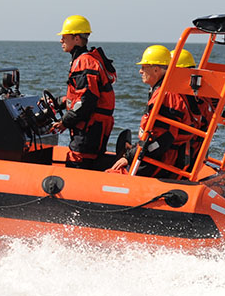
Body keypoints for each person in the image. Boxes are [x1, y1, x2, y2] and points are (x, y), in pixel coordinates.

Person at [110, 45, 191, 177]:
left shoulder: (166, 96)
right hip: (158, 155)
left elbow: (161, 140)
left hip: (161, 159)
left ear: (156, 70)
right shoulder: (164, 91)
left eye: (143, 67)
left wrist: (130, 157)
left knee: (112, 174)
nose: (140, 71)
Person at [55, 15, 116, 169]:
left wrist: (64, 122)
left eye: (64, 36)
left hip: (88, 131)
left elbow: (86, 101)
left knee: (78, 163)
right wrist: (59, 102)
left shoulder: (84, 63)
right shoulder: (87, 60)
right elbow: (82, 96)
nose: (61, 40)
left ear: (76, 38)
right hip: (94, 128)